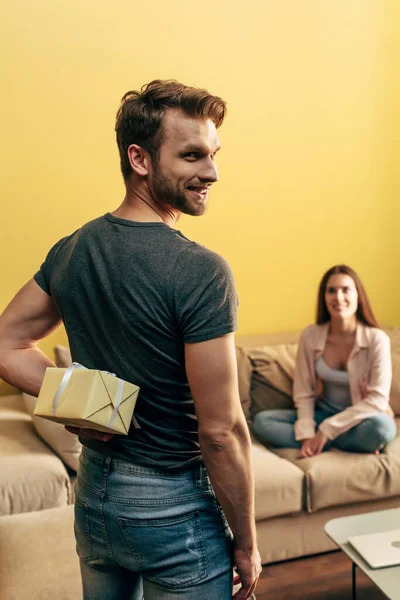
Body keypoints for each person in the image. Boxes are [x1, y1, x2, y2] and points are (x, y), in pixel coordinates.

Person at [0, 80, 261, 600]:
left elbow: (3, 342)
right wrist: (248, 543)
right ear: (139, 159)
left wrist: (82, 402)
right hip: (174, 511)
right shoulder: (202, 271)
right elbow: (221, 432)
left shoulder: (73, 249)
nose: (211, 172)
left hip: (95, 498)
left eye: (212, 155)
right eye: (191, 155)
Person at [253, 264, 397, 458]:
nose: (338, 297)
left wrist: (326, 431)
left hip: (361, 419)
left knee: (383, 429)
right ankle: (347, 444)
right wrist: (306, 433)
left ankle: (326, 441)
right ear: (324, 297)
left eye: (346, 290)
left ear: (358, 295)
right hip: (323, 415)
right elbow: (303, 393)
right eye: (331, 291)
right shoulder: (310, 336)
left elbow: (377, 401)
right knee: (263, 421)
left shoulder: (376, 339)